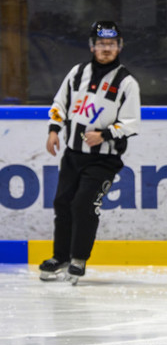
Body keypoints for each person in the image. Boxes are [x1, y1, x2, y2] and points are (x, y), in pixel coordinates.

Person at [39, 21, 141, 284]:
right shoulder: (77, 73)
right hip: (73, 154)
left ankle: (78, 259)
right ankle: (61, 257)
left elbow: (131, 123)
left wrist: (104, 135)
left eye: (111, 44)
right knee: (63, 203)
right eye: (101, 44)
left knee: (83, 205)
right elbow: (60, 103)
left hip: (103, 159)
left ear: (120, 47)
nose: (106, 49)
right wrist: (54, 129)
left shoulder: (127, 83)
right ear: (92, 46)